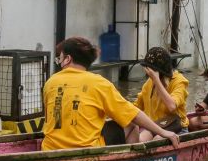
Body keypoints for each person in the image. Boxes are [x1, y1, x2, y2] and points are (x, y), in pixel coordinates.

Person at [42, 37, 180, 151]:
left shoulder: (50, 82)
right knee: (132, 124)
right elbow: (133, 114)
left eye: (59, 58)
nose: (59, 62)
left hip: (49, 148)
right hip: (87, 149)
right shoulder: (99, 83)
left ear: (67, 59)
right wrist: (163, 132)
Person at [125, 46, 189, 143]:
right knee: (137, 135)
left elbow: (172, 106)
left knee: (157, 140)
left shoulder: (179, 81)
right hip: (156, 126)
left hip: (176, 127)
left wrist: (156, 80)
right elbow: (136, 108)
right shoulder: (149, 84)